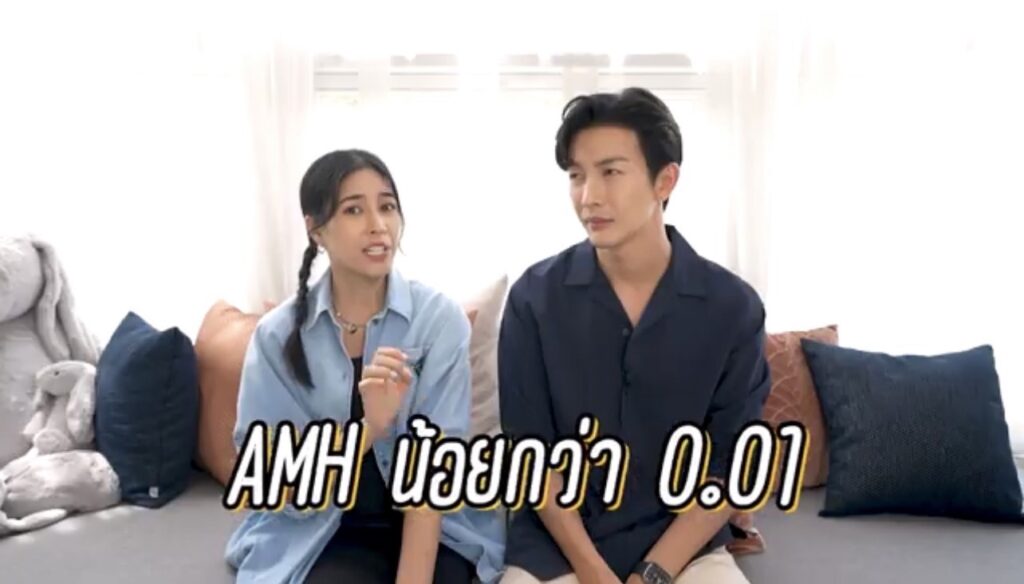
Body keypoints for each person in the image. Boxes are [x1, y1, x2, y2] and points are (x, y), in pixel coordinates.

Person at [497, 88, 771, 584]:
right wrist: (594, 573)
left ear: (665, 180)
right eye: (576, 175)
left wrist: (651, 574)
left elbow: (727, 468)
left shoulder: (733, 309)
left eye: (611, 172)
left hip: (682, 552)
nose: (589, 196)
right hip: (556, 552)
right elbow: (532, 457)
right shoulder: (533, 300)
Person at [225, 149, 505, 584]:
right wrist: (368, 429)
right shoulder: (276, 337)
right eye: (354, 210)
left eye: (387, 206)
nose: (378, 224)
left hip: (435, 528)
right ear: (316, 229)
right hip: (324, 531)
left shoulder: (438, 321)